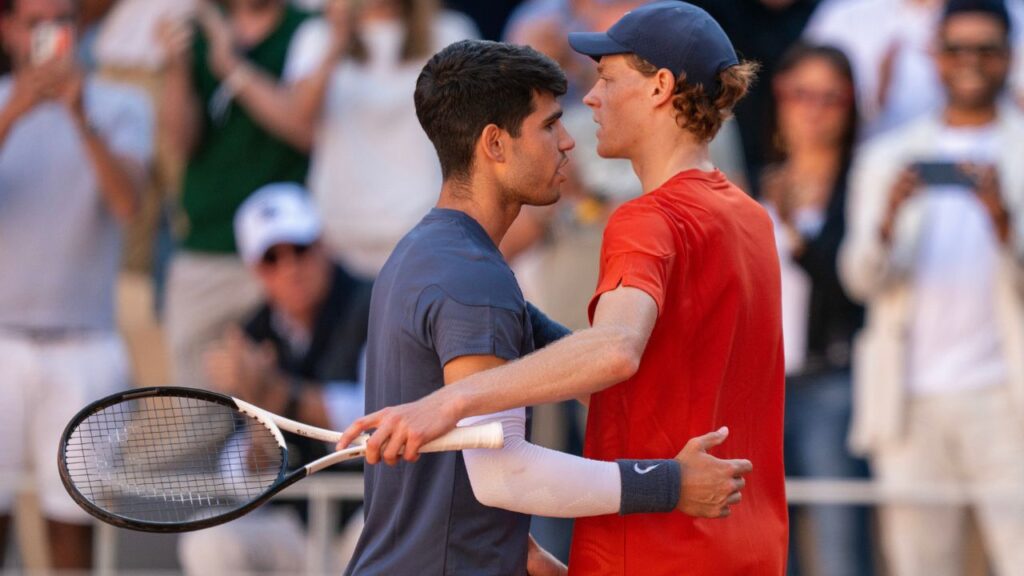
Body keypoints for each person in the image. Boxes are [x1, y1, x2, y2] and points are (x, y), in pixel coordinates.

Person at [340, 2, 788, 574]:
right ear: (495, 145)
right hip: (746, 548)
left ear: (661, 88)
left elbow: (616, 353)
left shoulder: (639, 221)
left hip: (657, 551)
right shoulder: (752, 219)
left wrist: (448, 401)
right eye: (551, 125)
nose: (586, 110)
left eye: (605, 79)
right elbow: (632, 395)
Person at [839, 1, 1024, 574]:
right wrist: (888, 222)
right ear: (935, 57)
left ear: (1009, 57)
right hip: (906, 400)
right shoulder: (886, 156)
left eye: (986, 49)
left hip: (1008, 399)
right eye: (956, 49)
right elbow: (859, 280)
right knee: (920, 566)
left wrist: (1003, 225)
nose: (970, 62)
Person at [0, 0, 151, 569]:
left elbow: (128, 202)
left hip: (85, 343)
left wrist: (79, 116)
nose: (48, 36)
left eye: (59, 21)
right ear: (8, 28)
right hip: (2, 341)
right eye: (35, 23)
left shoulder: (119, 106)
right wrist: (16, 109)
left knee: (74, 531)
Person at [177, 183, 372, 575]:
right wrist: (257, 414)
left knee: (385, 536)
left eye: (299, 249)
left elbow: (378, 415)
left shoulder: (376, 304)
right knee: (210, 544)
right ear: (255, 270)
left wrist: (281, 395)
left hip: (369, 513)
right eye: (271, 259)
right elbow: (240, 478)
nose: (290, 269)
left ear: (323, 246)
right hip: (298, 525)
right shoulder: (250, 336)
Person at [160, 0, 328, 390]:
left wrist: (231, 66)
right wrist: (176, 67)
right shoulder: (195, 31)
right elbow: (180, 142)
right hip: (207, 247)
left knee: (286, 409)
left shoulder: (308, 30)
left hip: (286, 253)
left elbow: (304, 129)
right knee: (192, 415)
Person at [761, 43, 872, 576]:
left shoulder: (863, 183)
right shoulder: (754, 178)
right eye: (801, 93)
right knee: (767, 544)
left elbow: (858, 285)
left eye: (831, 97)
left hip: (831, 379)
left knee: (837, 546)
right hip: (759, 385)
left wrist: (799, 238)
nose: (814, 109)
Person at [290, 0, 477, 279]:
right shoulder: (316, 35)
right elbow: (298, 122)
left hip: (430, 238)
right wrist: (337, 41)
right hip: (340, 243)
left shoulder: (450, 31)